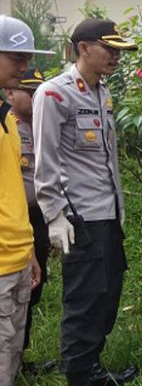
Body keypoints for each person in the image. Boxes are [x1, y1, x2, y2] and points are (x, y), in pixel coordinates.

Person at [33, 18, 139, 386]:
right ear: (83, 48)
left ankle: (91, 361)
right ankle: (80, 373)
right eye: (109, 49)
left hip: (107, 212)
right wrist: (54, 217)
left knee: (108, 290)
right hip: (79, 217)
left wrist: (118, 210)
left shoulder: (101, 92)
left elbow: (105, 160)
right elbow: (45, 163)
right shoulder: (54, 94)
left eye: (118, 51)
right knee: (84, 297)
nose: (115, 57)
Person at [0, 15, 46, 386]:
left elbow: (13, 189)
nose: (25, 66)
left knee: (12, 349)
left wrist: (29, 248)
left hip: (17, 253)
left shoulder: (9, 121)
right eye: (16, 58)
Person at [5, 68, 56, 376]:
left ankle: (18, 359)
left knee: (32, 290)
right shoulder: (7, 126)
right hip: (12, 220)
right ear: (11, 93)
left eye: (40, 90)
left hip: (39, 219)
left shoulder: (43, 125)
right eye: (30, 91)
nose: (38, 97)